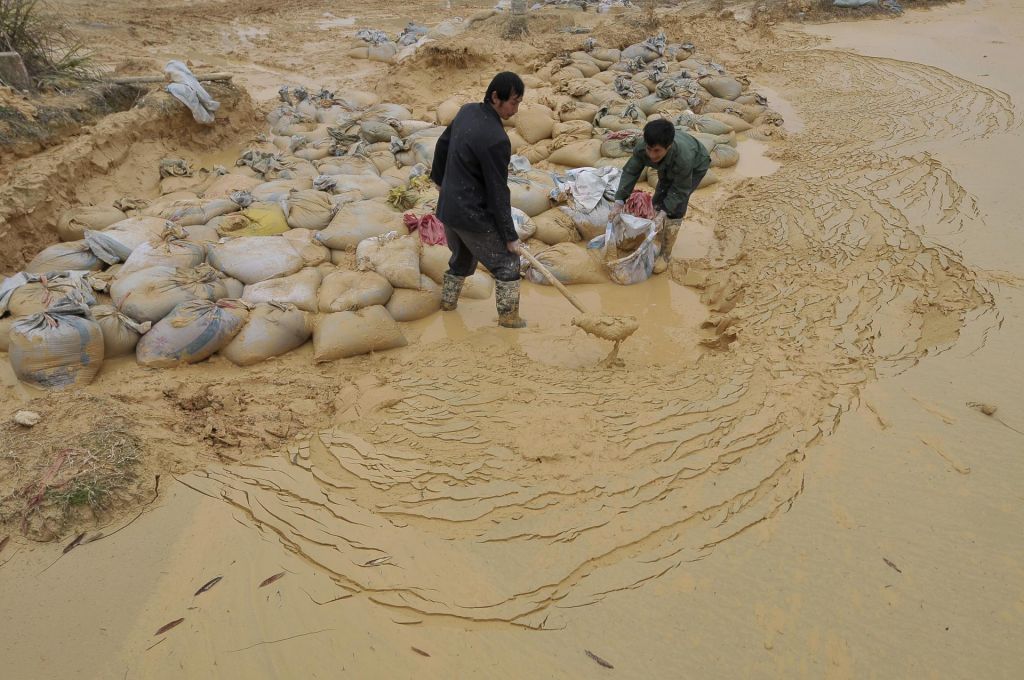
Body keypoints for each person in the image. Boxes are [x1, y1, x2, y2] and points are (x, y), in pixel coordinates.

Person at [430, 71, 526, 328]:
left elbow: (442, 145)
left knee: (461, 260)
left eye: (518, 103)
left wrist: (439, 181)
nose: (515, 109)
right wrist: (510, 236)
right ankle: (509, 321)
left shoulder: (466, 112)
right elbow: (498, 191)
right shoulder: (497, 139)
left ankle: (448, 307)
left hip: (449, 209)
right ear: (496, 97)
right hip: (470, 214)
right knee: (507, 264)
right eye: (513, 102)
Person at [610, 118, 711, 273]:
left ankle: (665, 254)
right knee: (659, 195)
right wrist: (619, 200)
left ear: (668, 146)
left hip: (696, 165)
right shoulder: (643, 148)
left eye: (656, 150)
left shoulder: (684, 158)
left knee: (676, 207)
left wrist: (664, 213)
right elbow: (631, 172)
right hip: (668, 164)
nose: (651, 155)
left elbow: (680, 190)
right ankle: (657, 233)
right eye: (649, 149)